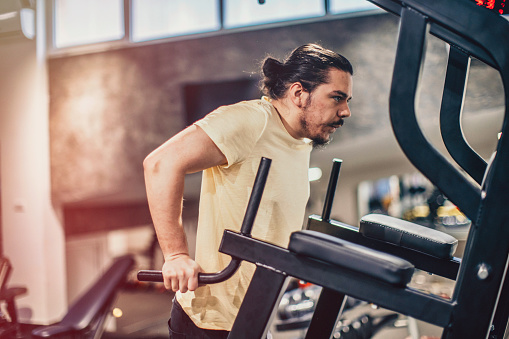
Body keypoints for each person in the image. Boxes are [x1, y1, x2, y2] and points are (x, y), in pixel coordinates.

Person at [143, 43, 354, 338]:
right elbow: (160, 164)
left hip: (255, 316)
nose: (345, 111)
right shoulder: (251, 120)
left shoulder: (300, 142)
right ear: (298, 93)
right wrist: (176, 255)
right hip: (211, 322)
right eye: (337, 98)